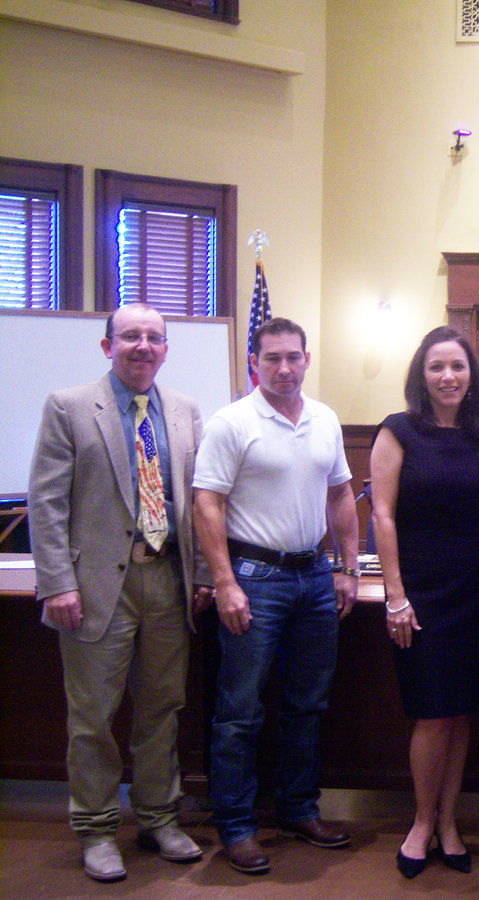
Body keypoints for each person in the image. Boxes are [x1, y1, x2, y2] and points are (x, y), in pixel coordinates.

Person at [28, 302, 210, 883]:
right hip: (96, 585)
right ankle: (98, 829)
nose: (143, 346)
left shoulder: (183, 411)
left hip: (168, 581)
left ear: (165, 348)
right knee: (93, 717)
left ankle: (159, 818)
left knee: (162, 709)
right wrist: (56, 582)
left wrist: (203, 572)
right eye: (130, 336)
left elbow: (200, 504)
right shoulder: (70, 406)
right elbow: (47, 502)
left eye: (154, 337)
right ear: (107, 346)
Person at [193, 317, 359, 876]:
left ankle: (297, 810)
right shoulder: (231, 422)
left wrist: (347, 567)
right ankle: (237, 827)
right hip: (253, 579)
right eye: (272, 359)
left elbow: (340, 495)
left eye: (294, 357)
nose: (284, 368)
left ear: (307, 359)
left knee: (307, 705)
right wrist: (224, 582)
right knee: (240, 711)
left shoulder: (326, 420)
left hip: (314, 577)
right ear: (253, 365)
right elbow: (206, 505)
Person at [369, 326, 479, 879]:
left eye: (457, 367)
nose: (448, 377)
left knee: (461, 710)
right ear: (420, 376)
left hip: (477, 587)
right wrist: (395, 596)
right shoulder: (397, 431)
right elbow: (382, 514)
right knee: (431, 711)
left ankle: (450, 821)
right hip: (422, 590)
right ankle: (421, 822)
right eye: (436, 367)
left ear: (471, 375)